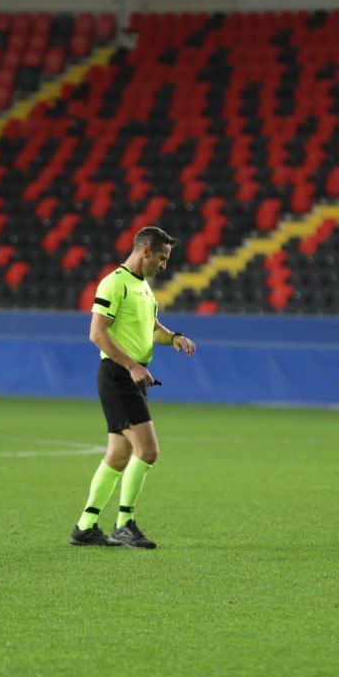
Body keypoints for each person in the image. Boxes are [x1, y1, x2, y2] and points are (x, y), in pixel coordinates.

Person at [69, 226, 196, 550]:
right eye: (163, 258)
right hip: (118, 375)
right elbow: (97, 333)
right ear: (146, 252)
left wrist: (174, 337)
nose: (164, 266)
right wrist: (131, 365)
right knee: (148, 451)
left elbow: (152, 329)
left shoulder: (144, 289)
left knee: (118, 455)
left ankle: (85, 527)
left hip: (133, 376)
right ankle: (124, 523)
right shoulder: (114, 283)